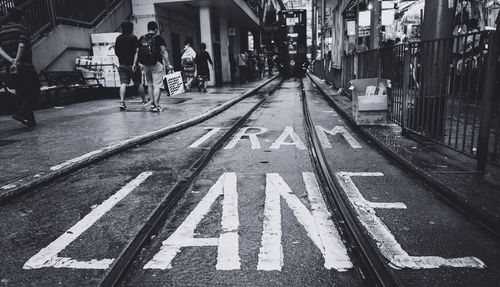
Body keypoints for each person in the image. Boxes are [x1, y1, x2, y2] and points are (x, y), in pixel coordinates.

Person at [0, 7, 40, 127]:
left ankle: (31, 121)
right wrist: (17, 61)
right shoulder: (21, 28)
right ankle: (21, 113)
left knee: (22, 92)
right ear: (20, 17)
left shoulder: (2, 31)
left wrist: (10, 60)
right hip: (24, 66)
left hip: (10, 67)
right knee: (34, 91)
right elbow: (21, 45)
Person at [136, 21, 172, 112]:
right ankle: (157, 105)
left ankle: (152, 103)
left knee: (150, 84)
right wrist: (168, 64)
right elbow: (163, 51)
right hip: (156, 64)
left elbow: (136, 52)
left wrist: (134, 64)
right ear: (156, 29)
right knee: (157, 85)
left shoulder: (142, 38)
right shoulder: (158, 38)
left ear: (148, 29)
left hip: (146, 65)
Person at [115, 21, 147, 111]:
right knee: (138, 82)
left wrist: (122, 59)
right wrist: (134, 63)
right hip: (132, 65)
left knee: (123, 83)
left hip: (122, 64)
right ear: (131, 28)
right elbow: (137, 52)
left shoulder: (118, 38)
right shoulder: (133, 38)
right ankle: (144, 100)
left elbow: (116, 52)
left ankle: (122, 102)